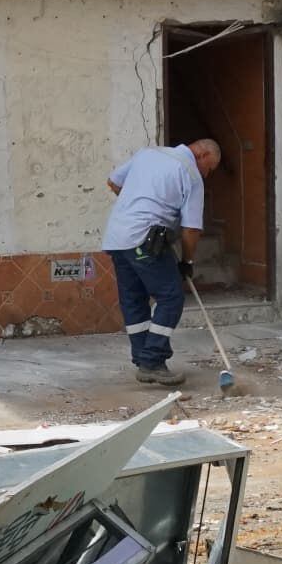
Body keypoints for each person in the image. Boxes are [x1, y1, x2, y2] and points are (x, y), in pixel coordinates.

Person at [100, 137, 220, 388]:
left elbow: (113, 182)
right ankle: (152, 361)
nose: (208, 176)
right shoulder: (190, 174)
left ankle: (143, 359)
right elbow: (191, 229)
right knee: (171, 296)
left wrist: (137, 203)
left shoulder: (147, 154)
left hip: (117, 237)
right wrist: (187, 260)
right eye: (210, 170)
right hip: (144, 239)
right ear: (204, 156)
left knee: (133, 299)